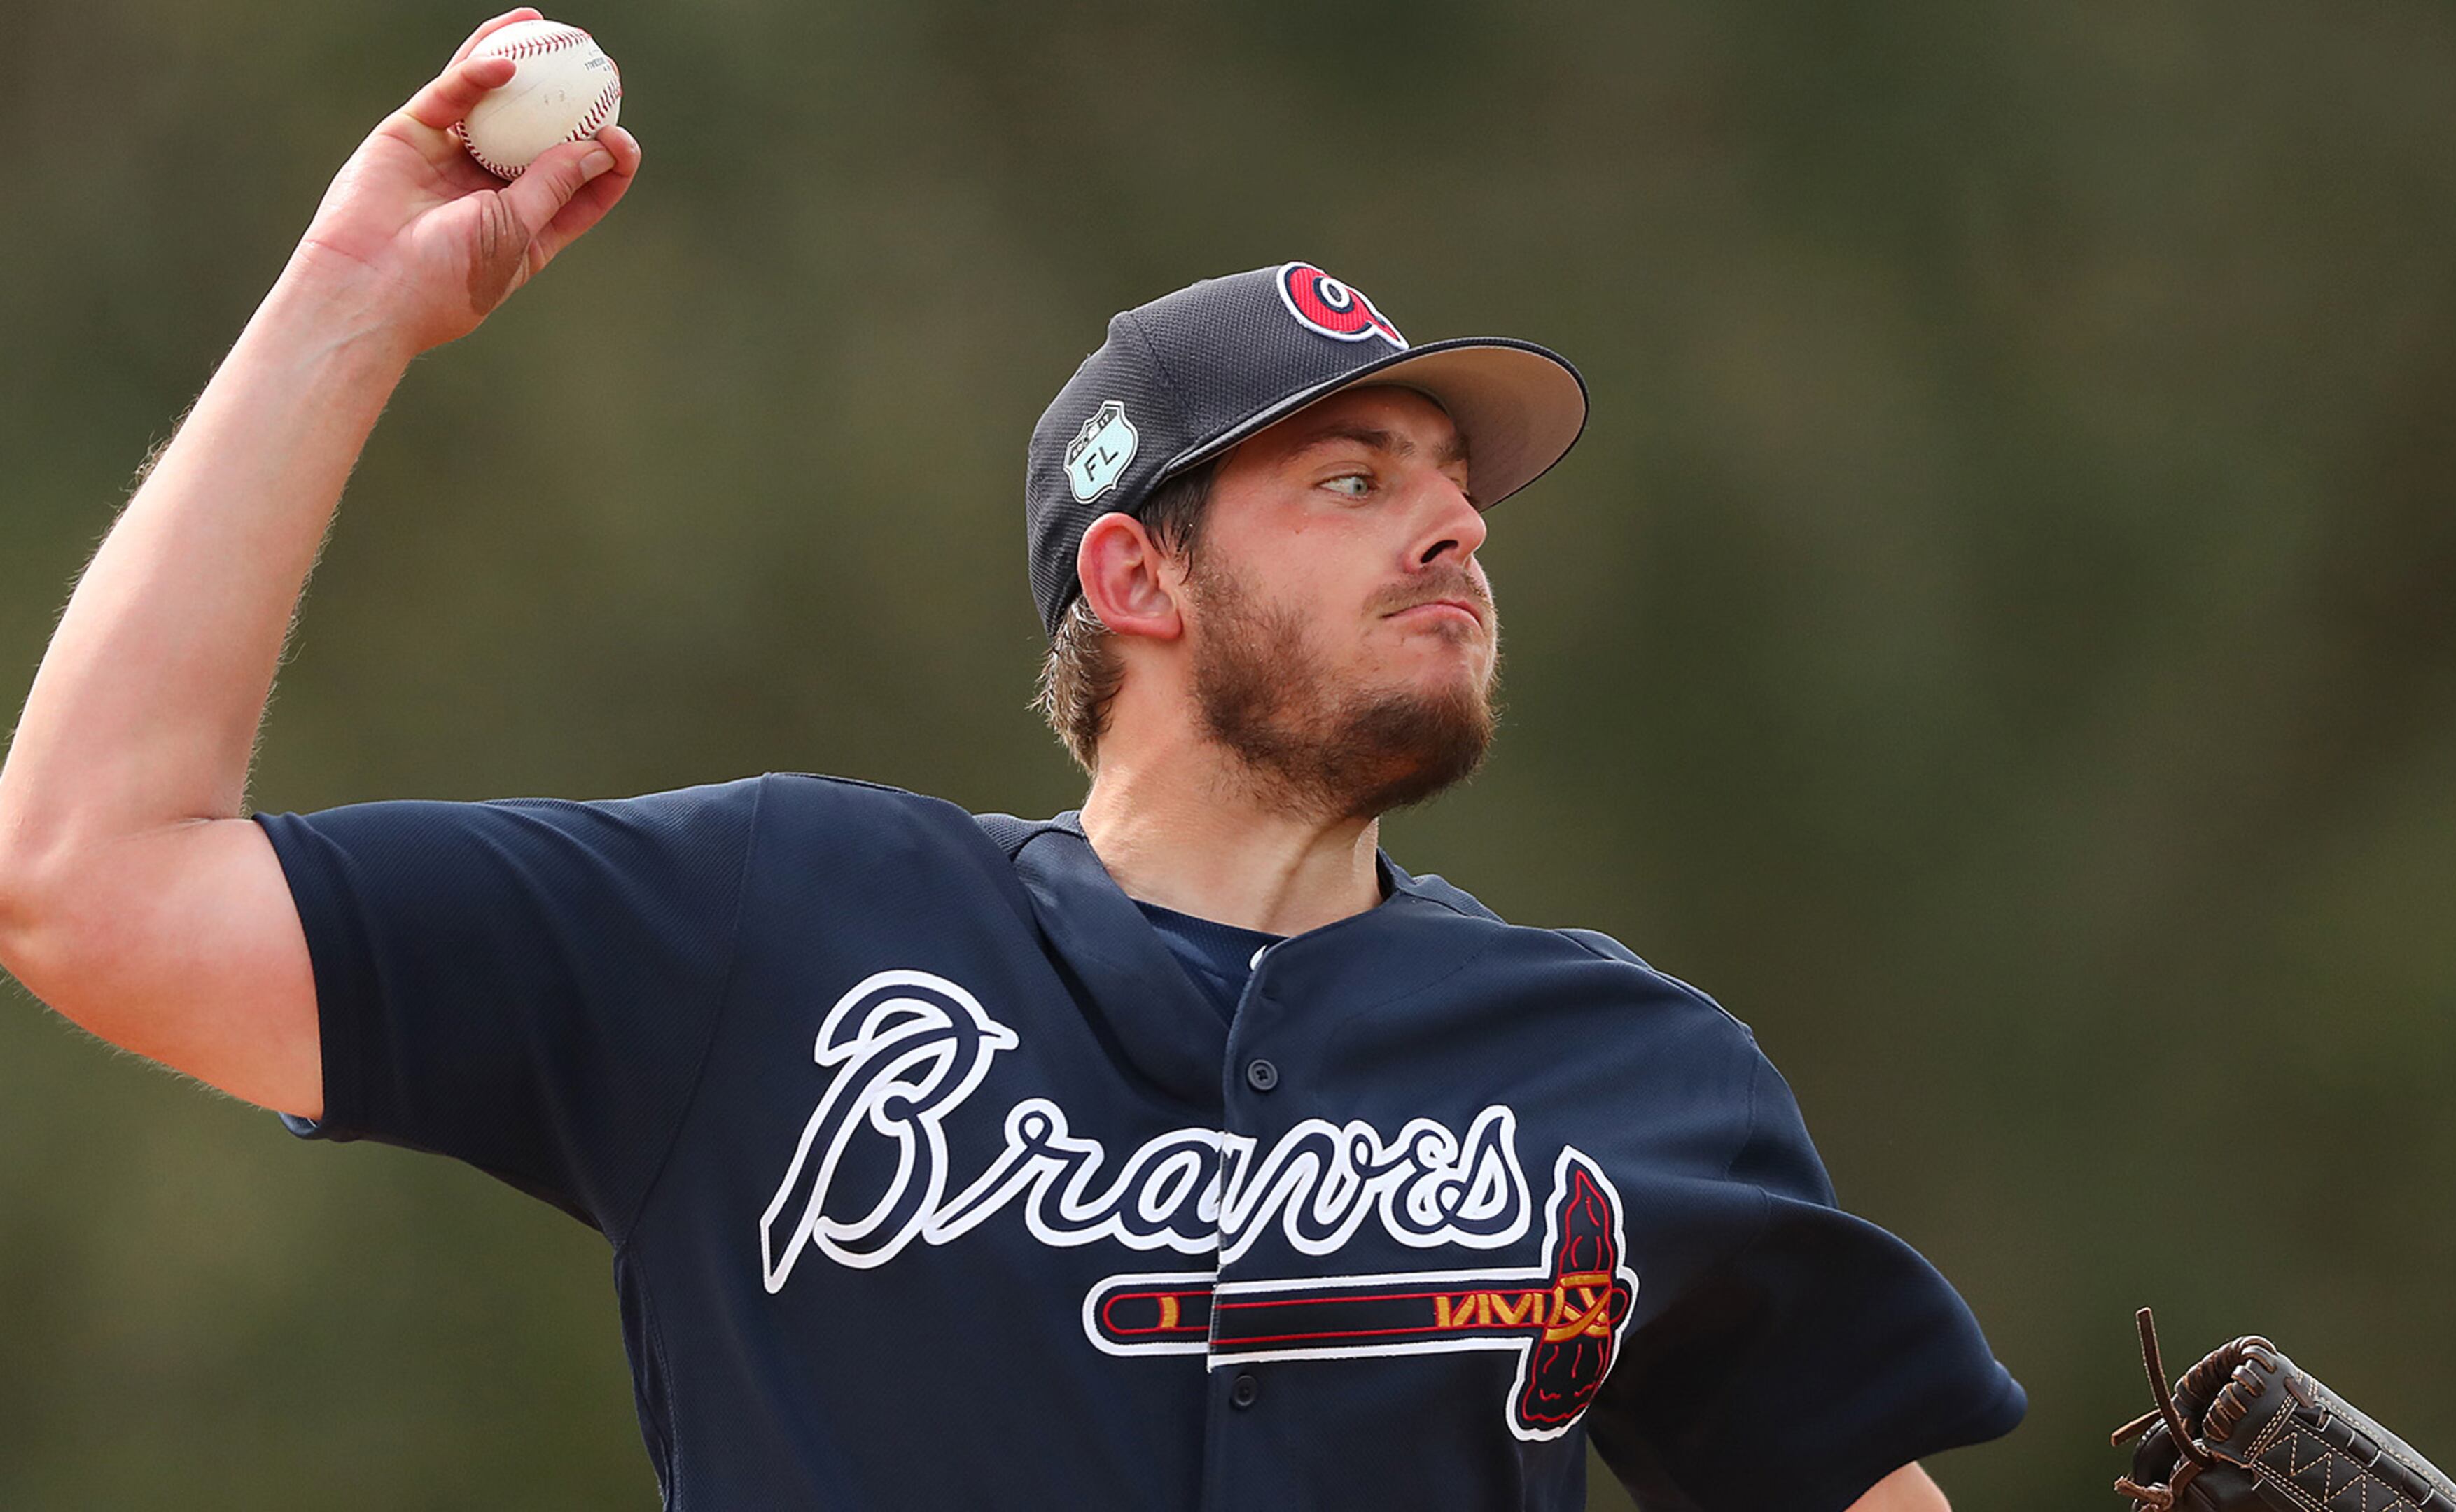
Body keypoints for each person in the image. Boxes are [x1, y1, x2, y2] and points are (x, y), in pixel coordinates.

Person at [0, 11, 2023, 1509]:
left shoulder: (1620, 1070)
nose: (1456, 526)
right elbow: (91, 882)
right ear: (1136, 574)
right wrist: (350, 306)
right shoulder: (771, 940)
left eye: (1460, 491)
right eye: (1350, 477)